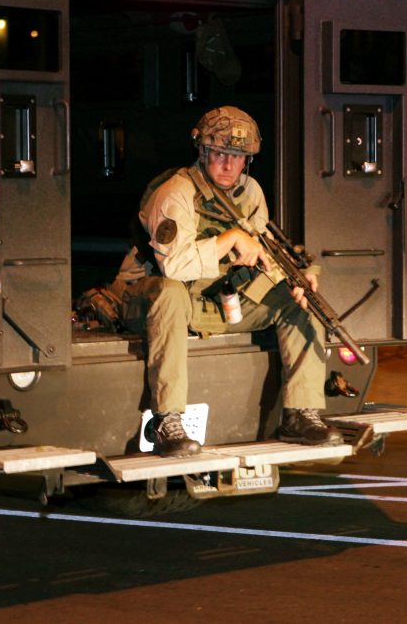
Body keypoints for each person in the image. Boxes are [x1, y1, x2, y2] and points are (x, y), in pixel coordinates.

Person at [111, 106, 342, 457]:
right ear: (202, 152)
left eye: (239, 157)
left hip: (213, 298)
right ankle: (168, 420)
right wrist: (230, 239)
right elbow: (173, 266)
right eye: (220, 153)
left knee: (300, 303)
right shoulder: (177, 192)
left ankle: (300, 414)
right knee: (171, 293)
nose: (228, 165)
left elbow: (264, 251)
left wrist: (294, 276)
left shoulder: (250, 193)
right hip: (150, 297)